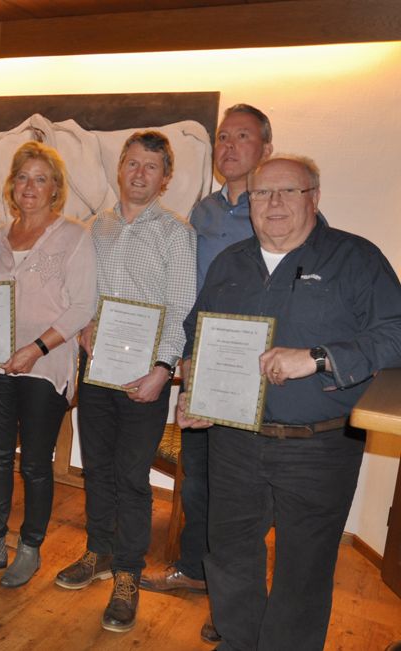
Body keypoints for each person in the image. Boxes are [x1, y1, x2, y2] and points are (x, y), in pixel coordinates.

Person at [178, 155, 401, 650]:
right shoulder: (230, 262)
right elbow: (197, 328)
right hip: (233, 441)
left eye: (289, 191)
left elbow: (396, 333)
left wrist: (318, 358)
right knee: (230, 553)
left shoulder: (356, 258)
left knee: (304, 568)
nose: (273, 203)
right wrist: (194, 377)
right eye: (261, 193)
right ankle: (238, 641)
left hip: (318, 446)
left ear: (314, 198)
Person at [53, 131, 196, 633]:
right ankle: (99, 552)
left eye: (150, 167)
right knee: (97, 469)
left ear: (165, 178)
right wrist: (87, 325)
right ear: (120, 169)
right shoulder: (97, 227)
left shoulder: (177, 233)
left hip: (145, 377)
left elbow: (180, 308)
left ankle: (128, 575)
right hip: (98, 371)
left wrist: (162, 370)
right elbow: (85, 292)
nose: (139, 174)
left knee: (133, 478)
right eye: (132, 164)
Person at [140, 103, 272, 644]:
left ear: (265, 147)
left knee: (240, 495)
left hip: (254, 365)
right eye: (223, 136)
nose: (229, 146)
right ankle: (194, 569)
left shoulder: (276, 206)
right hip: (201, 360)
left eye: (242, 136)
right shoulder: (203, 212)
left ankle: (232, 604)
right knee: (198, 480)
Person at [0, 142, 97, 587]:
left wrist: (35, 349)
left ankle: (29, 548)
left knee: (33, 462)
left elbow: (82, 307)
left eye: (40, 179)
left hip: (46, 365)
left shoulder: (75, 236)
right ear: (12, 186)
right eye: (23, 177)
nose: (30, 186)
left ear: (55, 188)